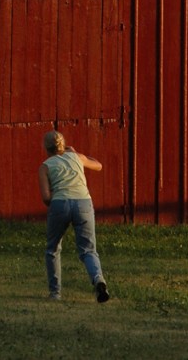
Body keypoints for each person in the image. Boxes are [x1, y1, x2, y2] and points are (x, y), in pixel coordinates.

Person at [38, 130, 110, 303]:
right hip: (84, 203)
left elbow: (46, 197)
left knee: (53, 249)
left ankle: (55, 293)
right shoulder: (76, 157)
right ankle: (98, 279)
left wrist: (57, 200)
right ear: (64, 145)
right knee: (88, 250)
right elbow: (98, 165)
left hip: (60, 204)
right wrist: (75, 152)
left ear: (45, 148)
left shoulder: (45, 166)